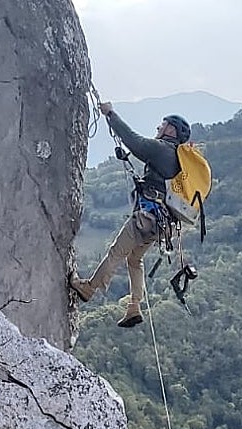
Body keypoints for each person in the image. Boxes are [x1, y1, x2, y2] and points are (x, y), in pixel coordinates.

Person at [69, 103, 190, 328]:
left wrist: (110, 114)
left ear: (171, 130)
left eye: (162, 124)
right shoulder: (177, 158)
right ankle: (134, 306)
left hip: (147, 217)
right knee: (135, 260)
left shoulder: (162, 148)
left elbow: (134, 141)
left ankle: (89, 288)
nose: (158, 127)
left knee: (116, 252)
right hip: (162, 224)